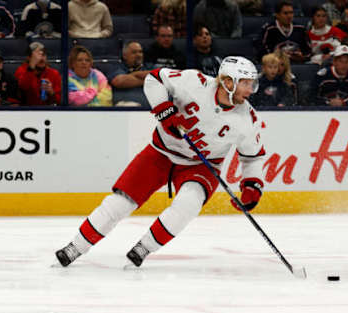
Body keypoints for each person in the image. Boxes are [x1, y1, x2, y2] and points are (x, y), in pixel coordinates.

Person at [54, 56, 267, 268]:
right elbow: (154, 79)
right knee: (120, 202)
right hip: (160, 153)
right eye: (246, 84)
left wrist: (252, 185)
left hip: (202, 165)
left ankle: (143, 248)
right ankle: (76, 246)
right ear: (228, 81)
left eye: (251, 84)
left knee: (188, 205)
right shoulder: (194, 82)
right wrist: (165, 112)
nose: (250, 90)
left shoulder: (248, 118)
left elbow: (253, 156)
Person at [14, 42, 61, 106]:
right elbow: (23, 87)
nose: (41, 58)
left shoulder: (54, 73)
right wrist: (32, 66)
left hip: (48, 111)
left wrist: (51, 92)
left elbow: (60, 101)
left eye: (43, 55)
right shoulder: (22, 70)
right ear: (29, 58)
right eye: (37, 55)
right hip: (27, 111)